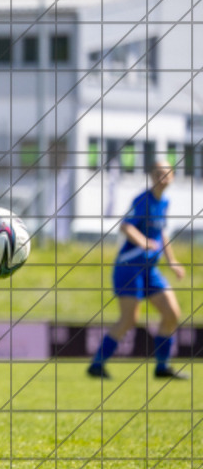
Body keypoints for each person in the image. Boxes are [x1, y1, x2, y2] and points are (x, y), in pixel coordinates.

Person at [89, 159, 187, 379]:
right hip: (130, 267)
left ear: (172, 176)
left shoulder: (164, 203)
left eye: (166, 173)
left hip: (150, 269)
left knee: (172, 313)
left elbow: (162, 233)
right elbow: (126, 225)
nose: (162, 177)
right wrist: (143, 241)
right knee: (129, 319)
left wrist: (172, 261)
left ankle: (162, 367)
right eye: (158, 173)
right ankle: (97, 364)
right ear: (152, 176)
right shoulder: (142, 199)